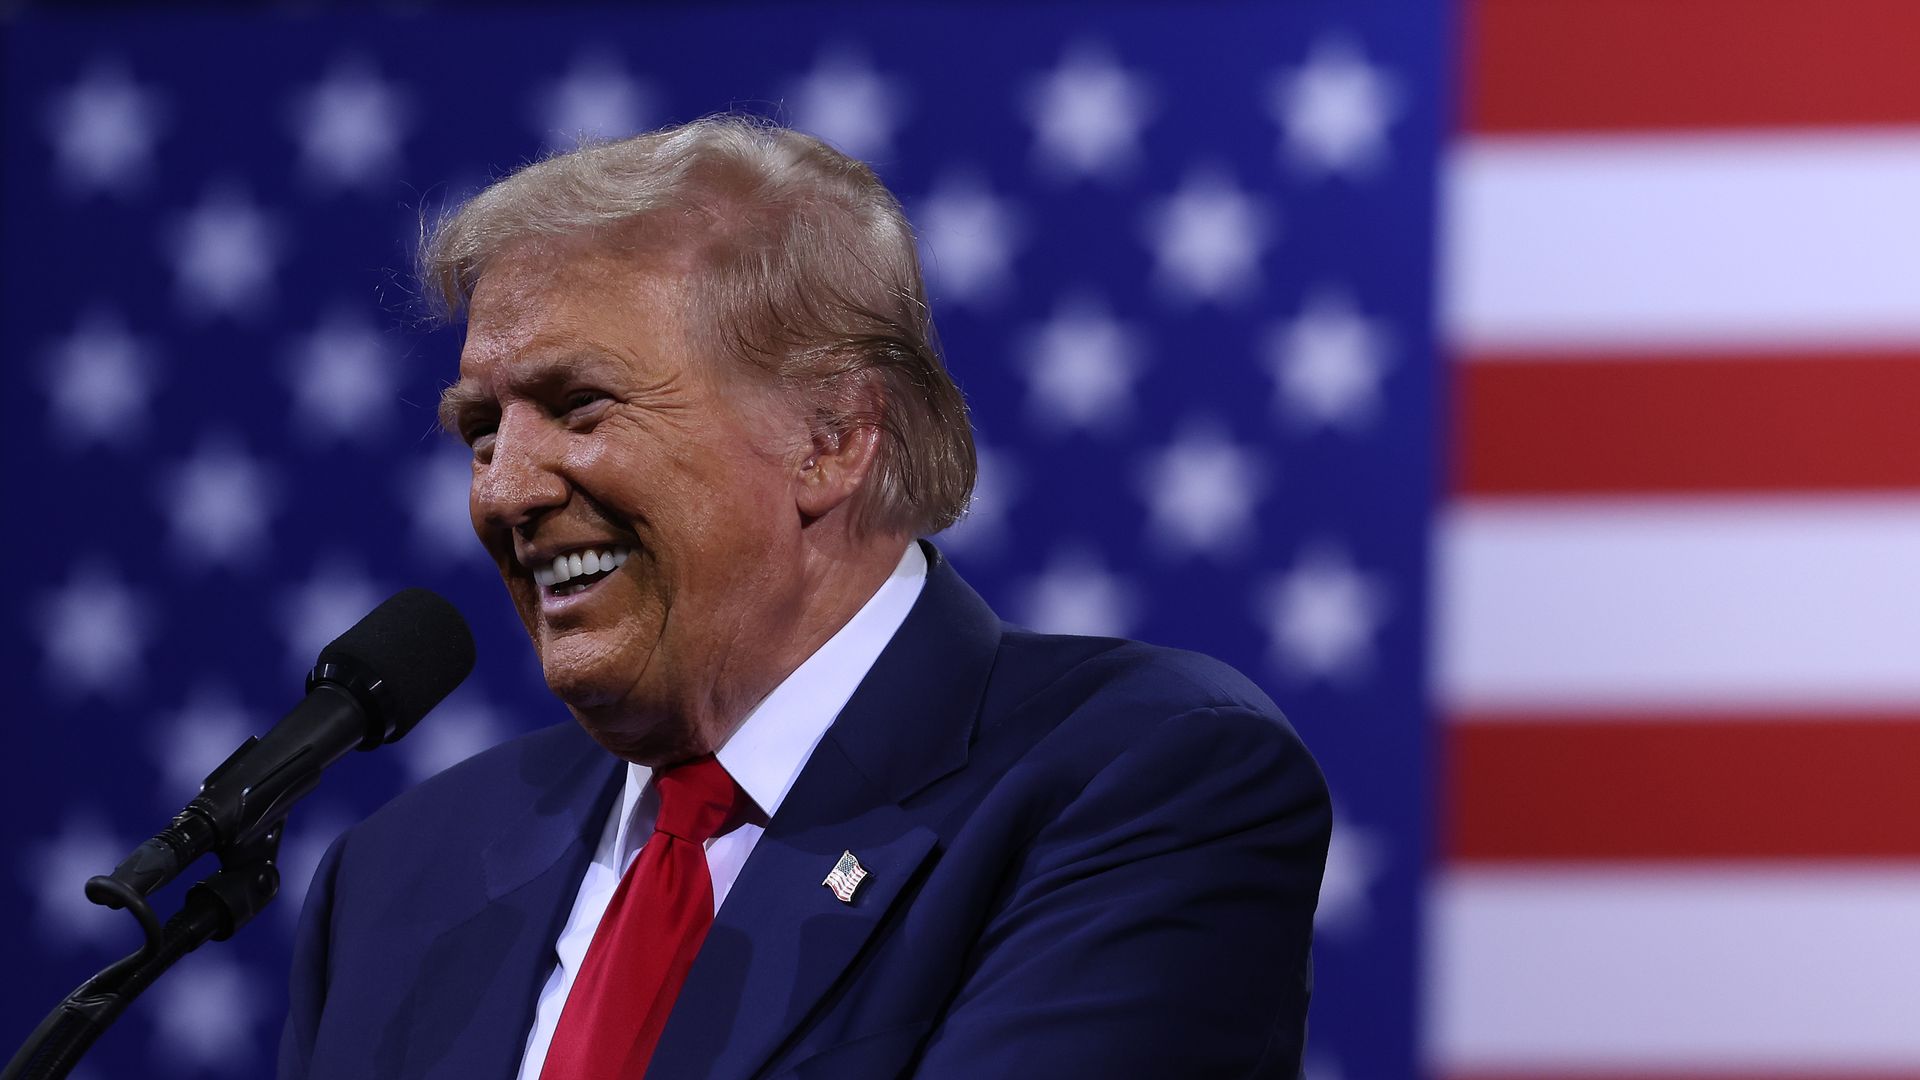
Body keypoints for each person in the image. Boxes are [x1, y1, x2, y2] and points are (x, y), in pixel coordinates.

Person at [279, 115, 1331, 1080]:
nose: (504, 488)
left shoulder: (1139, 779)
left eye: (579, 406)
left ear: (830, 436)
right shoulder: (398, 878)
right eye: (482, 432)